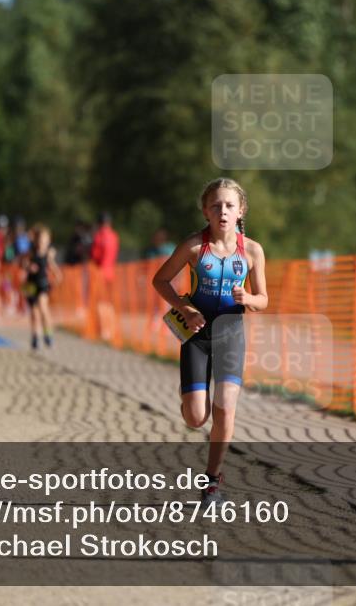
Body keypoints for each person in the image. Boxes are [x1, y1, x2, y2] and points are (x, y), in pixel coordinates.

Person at [151, 178, 268, 508]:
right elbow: (160, 280)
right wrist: (186, 308)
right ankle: (189, 401)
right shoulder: (193, 247)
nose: (223, 211)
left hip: (231, 334)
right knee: (196, 418)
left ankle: (212, 484)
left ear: (240, 210)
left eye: (230, 205)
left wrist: (249, 297)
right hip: (197, 335)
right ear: (205, 210)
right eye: (216, 205)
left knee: (226, 408)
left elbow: (264, 300)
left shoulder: (253, 251)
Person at [22, 224, 62, 349]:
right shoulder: (31, 253)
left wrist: (56, 279)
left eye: (44, 240)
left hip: (43, 284)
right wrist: (29, 267)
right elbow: (24, 264)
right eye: (39, 240)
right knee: (34, 312)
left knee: (43, 308)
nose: (41, 243)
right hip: (31, 285)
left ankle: (48, 334)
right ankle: (35, 335)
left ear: (48, 241)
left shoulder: (48, 255)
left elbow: (55, 270)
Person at [91, 212, 120, 341]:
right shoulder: (114, 236)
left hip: (100, 272)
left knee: (101, 302)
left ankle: (104, 331)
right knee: (109, 302)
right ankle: (112, 328)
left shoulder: (98, 236)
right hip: (111, 271)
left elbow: (95, 256)